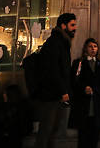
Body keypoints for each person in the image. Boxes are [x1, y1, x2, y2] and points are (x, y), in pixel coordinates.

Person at [33, 12, 77, 148]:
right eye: (72, 25)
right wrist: (63, 91)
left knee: (51, 130)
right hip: (51, 95)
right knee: (47, 129)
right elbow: (53, 70)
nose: (75, 28)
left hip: (54, 94)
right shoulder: (55, 43)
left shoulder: (62, 42)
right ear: (63, 26)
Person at [69, 38, 100, 148]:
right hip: (83, 104)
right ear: (86, 48)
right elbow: (74, 80)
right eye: (90, 46)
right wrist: (83, 88)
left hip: (97, 102)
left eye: (95, 46)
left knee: (95, 135)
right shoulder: (79, 63)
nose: (93, 49)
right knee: (83, 135)